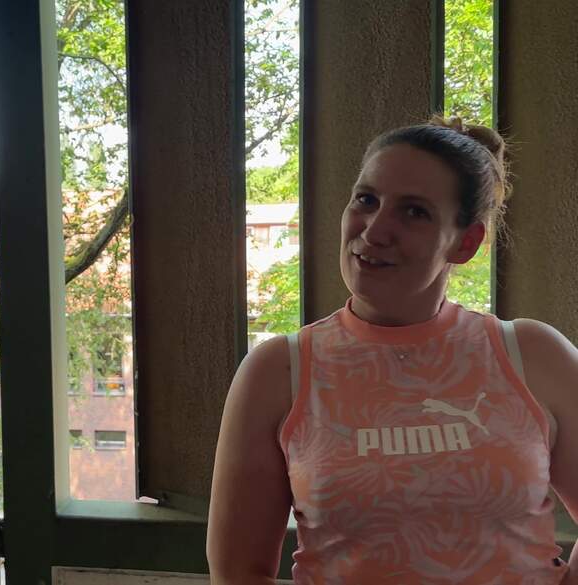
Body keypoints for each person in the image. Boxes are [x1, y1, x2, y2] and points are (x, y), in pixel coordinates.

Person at [206, 116, 578, 584]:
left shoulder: (533, 356)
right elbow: (238, 573)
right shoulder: (279, 371)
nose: (375, 230)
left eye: (414, 212)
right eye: (366, 199)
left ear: (465, 243)